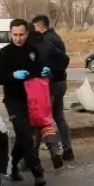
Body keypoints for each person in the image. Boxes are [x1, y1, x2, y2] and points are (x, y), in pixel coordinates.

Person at [0, 18, 47, 186]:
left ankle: (14, 164)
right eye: (15, 35)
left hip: (31, 99)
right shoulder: (4, 53)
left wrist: (45, 72)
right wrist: (13, 76)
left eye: (21, 35)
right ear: (10, 34)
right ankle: (37, 171)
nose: (18, 38)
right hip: (13, 99)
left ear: (27, 34)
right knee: (25, 134)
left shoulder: (32, 50)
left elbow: (38, 69)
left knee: (22, 136)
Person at [31, 14, 73, 161]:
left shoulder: (47, 40)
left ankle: (38, 153)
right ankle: (67, 149)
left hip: (51, 84)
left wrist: (52, 73)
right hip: (61, 82)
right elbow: (65, 59)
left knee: (42, 119)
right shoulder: (55, 37)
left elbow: (58, 59)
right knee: (59, 117)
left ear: (41, 26)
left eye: (35, 27)